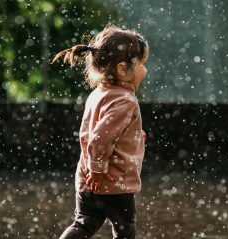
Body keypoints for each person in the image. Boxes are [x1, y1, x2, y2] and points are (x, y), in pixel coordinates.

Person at [52, 24, 149, 239]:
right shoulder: (126, 101)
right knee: (125, 229)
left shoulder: (99, 93)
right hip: (115, 182)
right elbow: (100, 137)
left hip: (87, 179)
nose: (145, 70)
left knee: (83, 224)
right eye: (142, 64)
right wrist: (98, 169)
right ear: (123, 69)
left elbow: (99, 131)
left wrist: (135, 137)